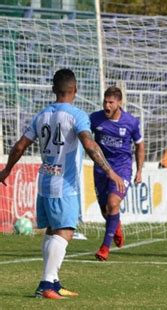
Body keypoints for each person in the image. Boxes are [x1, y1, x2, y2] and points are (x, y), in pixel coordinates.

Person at [0, 69, 125, 299]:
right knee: (65, 232)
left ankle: (54, 282)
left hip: (44, 184)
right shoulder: (77, 115)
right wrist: (110, 171)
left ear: (53, 90)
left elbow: (19, 146)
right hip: (64, 185)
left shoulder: (41, 115)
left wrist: (6, 170)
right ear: (75, 90)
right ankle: (47, 284)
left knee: (51, 232)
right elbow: (89, 144)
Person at [90, 86, 145, 261]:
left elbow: (140, 146)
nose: (107, 105)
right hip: (100, 168)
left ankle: (105, 248)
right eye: (105, 101)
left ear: (119, 103)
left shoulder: (131, 122)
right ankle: (116, 225)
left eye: (110, 102)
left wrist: (139, 170)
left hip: (122, 168)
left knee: (113, 203)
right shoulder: (95, 119)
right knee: (105, 210)